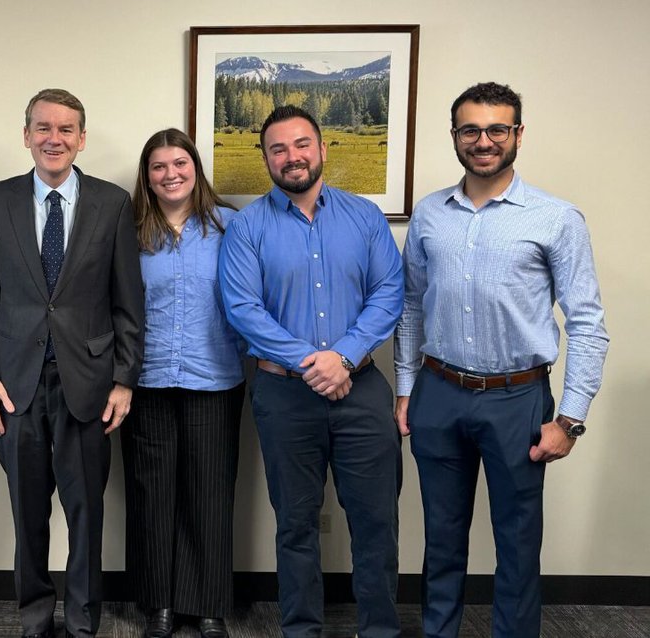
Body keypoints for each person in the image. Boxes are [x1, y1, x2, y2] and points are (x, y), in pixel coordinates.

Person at [394, 82, 609, 638]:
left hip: (518, 398)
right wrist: (403, 388)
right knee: (441, 539)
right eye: (471, 130)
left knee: (517, 541)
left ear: (517, 134)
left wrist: (570, 418)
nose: (483, 141)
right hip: (437, 393)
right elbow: (412, 304)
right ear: (455, 137)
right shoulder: (430, 214)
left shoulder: (556, 218)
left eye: (496, 129)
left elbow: (587, 322)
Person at [218, 105, 404, 638]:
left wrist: (343, 357)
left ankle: (381, 630)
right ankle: (301, 630)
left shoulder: (365, 217)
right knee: (295, 524)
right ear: (265, 159)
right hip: (283, 395)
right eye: (278, 149)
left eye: (301, 144)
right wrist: (315, 364)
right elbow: (243, 309)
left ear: (323, 149)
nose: (291, 156)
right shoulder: (247, 226)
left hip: (362, 391)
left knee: (375, 523)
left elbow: (388, 293)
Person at [0, 87, 144, 638]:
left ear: (82, 138)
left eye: (66, 129)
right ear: (26, 136)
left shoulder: (112, 204)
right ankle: (35, 619)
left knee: (86, 510)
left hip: (88, 382)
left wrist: (123, 378)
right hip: (15, 384)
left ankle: (85, 621)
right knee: (29, 513)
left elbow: (127, 300)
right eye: (43, 128)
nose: (54, 138)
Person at [122, 129, 244, 638]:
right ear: (146, 176)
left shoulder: (231, 227)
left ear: (196, 167)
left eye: (180, 163)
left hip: (214, 378)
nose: (170, 174)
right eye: (158, 166)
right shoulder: (128, 232)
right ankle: (160, 606)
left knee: (209, 493)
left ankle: (208, 604)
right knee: (152, 495)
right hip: (144, 381)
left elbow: (250, 300)